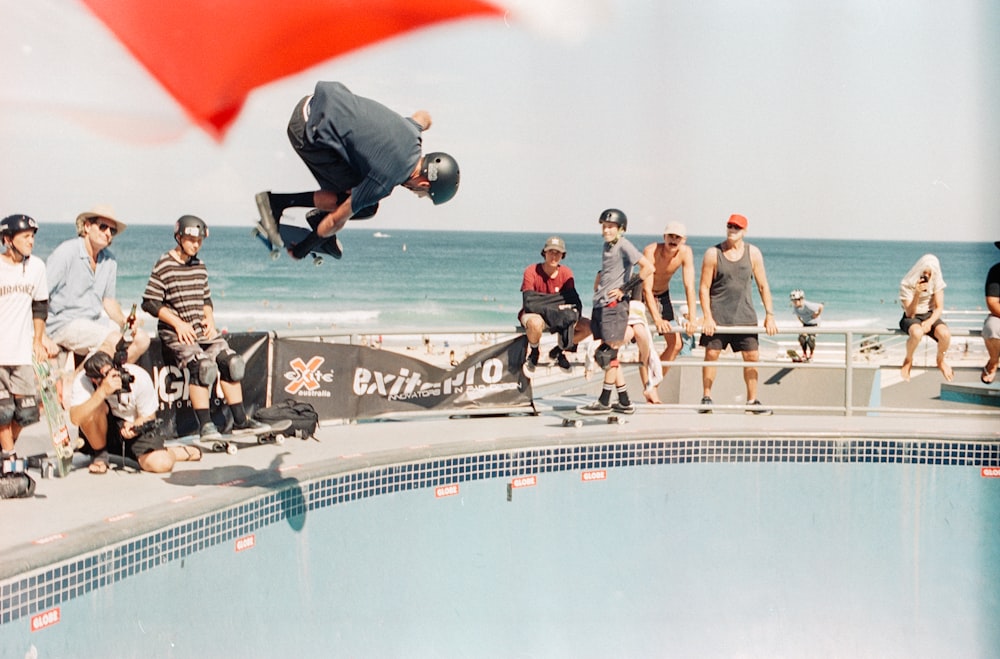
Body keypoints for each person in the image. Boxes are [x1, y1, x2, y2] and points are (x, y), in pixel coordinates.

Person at [256, 81, 460, 261]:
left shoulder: (413, 132)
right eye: (422, 194)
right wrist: (303, 249)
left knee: (358, 182)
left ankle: (299, 211)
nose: (417, 194)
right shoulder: (385, 180)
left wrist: (427, 123)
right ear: (424, 183)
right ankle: (277, 203)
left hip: (310, 102)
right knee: (365, 206)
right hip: (305, 130)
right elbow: (336, 220)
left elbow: (423, 116)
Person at [141, 215, 268, 440]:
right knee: (203, 368)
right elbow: (150, 302)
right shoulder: (164, 264)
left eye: (199, 240)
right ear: (178, 237)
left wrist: (209, 318)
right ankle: (206, 426)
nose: (195, 244)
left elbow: (206, 299)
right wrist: (178, 324)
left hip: (202, 331)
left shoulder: (200, 266)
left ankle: (240, 421)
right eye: (191, 240)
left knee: (233, 363)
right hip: (176, 333)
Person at [45, 205, 150, 363]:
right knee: (114, 340)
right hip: (63, 324)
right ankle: (74, 380)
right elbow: (40, 294)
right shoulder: (66, 252)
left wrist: (124, 321)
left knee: (142, 339)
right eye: (103, 227)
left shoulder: (109, 261)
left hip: (93, 322)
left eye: (112, 230)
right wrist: (40, 337)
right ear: (87, 226)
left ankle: (106, 378)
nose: (108, 233)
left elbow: (108, 301)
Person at [698, 214, 778, 414]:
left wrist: (770, 314)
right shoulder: (712, 253)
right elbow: (704, 287)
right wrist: (707, 316)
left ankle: (752, 401)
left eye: (737, 227)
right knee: (711, 354)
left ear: (744, 231)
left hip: (745, 316)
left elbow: (762, 285)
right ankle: (706, 398)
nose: (733, 230)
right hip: (718, 318)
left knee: (752, 356)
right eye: (730, 226)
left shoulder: (753, 253)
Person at [70, 351, 201, 474]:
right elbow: (75, 418)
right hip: (102, 429)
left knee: (161, 464)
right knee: (92, 406)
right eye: (105, 376)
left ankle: (174, 452)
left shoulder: (138, 376)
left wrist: (136, 426)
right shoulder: (83, 381)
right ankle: (100, 456)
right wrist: (101, 392)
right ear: (94, 379)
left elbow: (149, 416)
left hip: (134, 425)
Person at [577, 209, 653, 415]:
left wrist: (624, 289)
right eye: (604, 226)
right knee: (610, 356)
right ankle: (625, 400)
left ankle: (603, 401)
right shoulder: (607, 246)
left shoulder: (624, 245)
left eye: (610, 227)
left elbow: (648, 268)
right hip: (601, 304)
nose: (606, 230)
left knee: (606, 354)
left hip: (614, 307)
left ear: (621, 229)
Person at [0, 215, 52, 472]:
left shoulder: (37, 268)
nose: (31, 241)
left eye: (33, 236)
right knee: (2, 412)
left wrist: (38, 340)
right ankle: (8, 458)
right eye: (25, 237)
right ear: (8, 240)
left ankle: (4, 451)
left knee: (28, 412)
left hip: (21, 352)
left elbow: (40, 306)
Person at [519, 236, 590, 377]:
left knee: (589, 326)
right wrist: (557, 305)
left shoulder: (566, 273)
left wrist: (545, 302)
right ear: (544, 252)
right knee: (534, 323)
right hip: (536, 314)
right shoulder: (531, 271)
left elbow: (575, 302)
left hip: (557, 315)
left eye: (558, 252)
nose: (554, 255)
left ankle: (559, 350)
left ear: (563, 255)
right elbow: (529, 302)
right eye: (550, 251)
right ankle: (534, 352)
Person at [642, 221, 698, 379]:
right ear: (664, 237)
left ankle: (654, 382)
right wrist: (657, 319)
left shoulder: (686, 253)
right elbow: (646, 288)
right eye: (670, 236)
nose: (673, 240)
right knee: (644, 344)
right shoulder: (651, 251)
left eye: (677, 237)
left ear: (684, 240)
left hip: (663, 295)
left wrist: (692, 319)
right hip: (642, 295)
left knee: (677, 344)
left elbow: (689, 287)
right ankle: (648, 383)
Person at [898, 254, 953, 382]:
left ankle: (940, 360)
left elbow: (939, 308)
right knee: (917, 333)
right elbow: (910, 314)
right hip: (911, 314)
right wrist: (917, 293)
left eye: (930, 273)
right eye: (924, 273)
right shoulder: (906, 284)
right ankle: (908, 359)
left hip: (929, 314)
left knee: (945, 334)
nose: (927, 276)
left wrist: (930, 321)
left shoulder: (937, 282)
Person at [982, 240, 1000, 385]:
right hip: (999, 314)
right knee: (991, 328)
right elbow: (992, 303)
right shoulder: (996, 271)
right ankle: (994, 361)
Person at [789, 289, 824, 361]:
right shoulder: (795, 307)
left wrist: (817, 314)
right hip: (806, 324)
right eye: (793, 301)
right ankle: (804, 354)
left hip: (815, 324)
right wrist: (801, 321)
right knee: (801, 338)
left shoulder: (808, 305)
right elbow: (798, 315)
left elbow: (821, 306)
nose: (794, 303)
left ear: (801, 299)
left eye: (795, 301)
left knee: (810, 340)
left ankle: (811, 355)